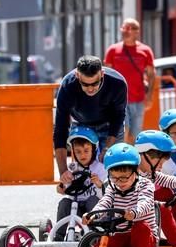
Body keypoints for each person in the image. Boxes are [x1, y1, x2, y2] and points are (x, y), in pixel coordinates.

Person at [76, 143, 156, 247]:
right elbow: (105, 202)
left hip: (145, 238)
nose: (119, 182)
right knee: (100, 246)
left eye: (123, 178)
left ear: (135, 171)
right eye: (114, 178)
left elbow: (146, 202)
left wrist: (134, 212)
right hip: (122, 234)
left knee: (141, 227)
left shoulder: (145, 185)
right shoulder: (113, 187)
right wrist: (93, 214)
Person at [54, 55, 127, 187]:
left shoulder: (117, 83)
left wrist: (108, 147)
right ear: (77, 75)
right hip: (82, 124)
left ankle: (117, 202)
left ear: (102, 74)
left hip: (110, 124)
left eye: (95, 83)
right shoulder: (67, 86)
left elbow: (118, 117)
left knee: (116, 168)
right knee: (83, 171)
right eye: (85, 84)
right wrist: (63, 171)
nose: (90, 88)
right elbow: (60, 129)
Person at [104, 18, 155, 142]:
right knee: (123, 129)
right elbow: (106, 74)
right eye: (124, 28)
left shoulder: (146, 51)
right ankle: (121, 158)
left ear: (137, 32)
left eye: (130, 28)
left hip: (138, 99)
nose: (125, 31)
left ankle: (132, 159)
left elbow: (151, 74)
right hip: (118, 100)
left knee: (135, 134)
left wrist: (149, 96)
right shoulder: (112, 50)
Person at [54, 125, 107, 241]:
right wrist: (61, 187)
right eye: (78, 152)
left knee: (92, 200)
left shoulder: (100, 168)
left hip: (93, 208)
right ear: (73, 152)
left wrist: (99, 184)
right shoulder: (72, 168)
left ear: (93, 149)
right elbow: (63, 188)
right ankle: (58, 235)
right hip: (75, 207)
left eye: (86, 151)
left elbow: (108, 191)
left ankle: (94, 233)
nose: (82, 155)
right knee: (64, 202)